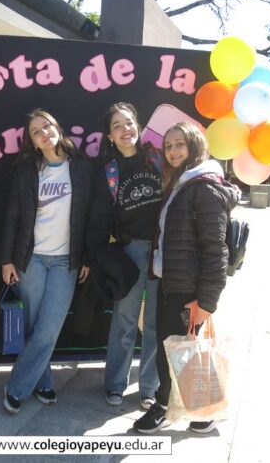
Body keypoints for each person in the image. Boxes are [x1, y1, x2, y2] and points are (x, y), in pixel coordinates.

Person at [133, 122, 240, 435]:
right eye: (168, 146)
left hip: (186, 287)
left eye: (179, 144)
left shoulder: (203, 188)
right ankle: (201, 411)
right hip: (170, 281)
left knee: (180, 351)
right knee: (179, 349)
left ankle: (167, 406)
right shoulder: (182, 183)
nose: (173, 150)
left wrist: (207, 301)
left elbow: (215, 249)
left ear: (194, 145)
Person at [0, 109, 100, 414]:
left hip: (66, 261)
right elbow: (11, 217)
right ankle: (43, 381)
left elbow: (91, 217)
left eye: (47, 126)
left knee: (48, 329)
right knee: (33, 326)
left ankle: (16, 387)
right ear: (31, 142)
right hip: (31, 259)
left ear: (57, 127)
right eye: (36, 132)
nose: (44, 133)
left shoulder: (82, 167)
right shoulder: (27, 171)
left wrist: (87, 257)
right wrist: (6, 260)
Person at [96, 103, 163, 409]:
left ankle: (149, 387)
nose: (125, 130)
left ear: (138, 125)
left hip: (161, 249)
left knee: (155, 323)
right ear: (110, 136)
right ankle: (115, 384)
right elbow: (100, 216)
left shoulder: (157, 158)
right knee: (124, 322)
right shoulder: (109, 171)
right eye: (117, 126)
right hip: (130, 250)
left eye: (129, 122)